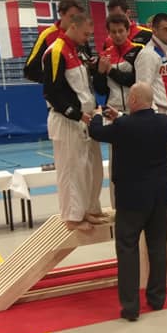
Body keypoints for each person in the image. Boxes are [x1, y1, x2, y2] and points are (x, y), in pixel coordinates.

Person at [88, 83, 167, 322]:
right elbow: (139, 125)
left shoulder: (124, 126)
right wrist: (121, 117)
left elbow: (97, 132)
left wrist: (97, 115)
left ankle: (130, 306)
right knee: (158, 247)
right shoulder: (164, 122)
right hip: (159, 195)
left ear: (133, 100)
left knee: (127, 249)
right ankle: (157, 298)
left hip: (132, 198)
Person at [41, 13, 105, 230]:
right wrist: (75, 114)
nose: (87, 38)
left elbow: (83, 88)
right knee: (70, 170)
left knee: (86, 169)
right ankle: (71, 218)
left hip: (84, 119)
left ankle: (85, 211)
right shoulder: (56, 51)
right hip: (66, 120)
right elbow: (51, 91)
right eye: (85, 34)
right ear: (74, 27)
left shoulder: (77, 51)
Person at [134, 12, 167, 202]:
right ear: (154, 30)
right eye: (166, 29)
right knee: (162, 159)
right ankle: (162, 197)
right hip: (161, 114)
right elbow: (143, 89)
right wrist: (152, 118)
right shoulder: (148, 55)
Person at [24, 0, 83, 83]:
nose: (74, 21)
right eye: (71, 16)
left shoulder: (81, 34)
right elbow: (30, 71)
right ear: (61, 14)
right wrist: (55, 81)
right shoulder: (47, 35)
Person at [92, 13, 142, 113]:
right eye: (113, 32)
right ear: (109, 33)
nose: (117, 35)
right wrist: (100, 73)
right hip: (112, 110)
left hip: (135, 110)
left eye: (121, 31)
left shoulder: (139, 50)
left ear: (128, 31)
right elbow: (100, 90)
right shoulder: (104, 55)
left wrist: (110, 71)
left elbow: (136, 80)